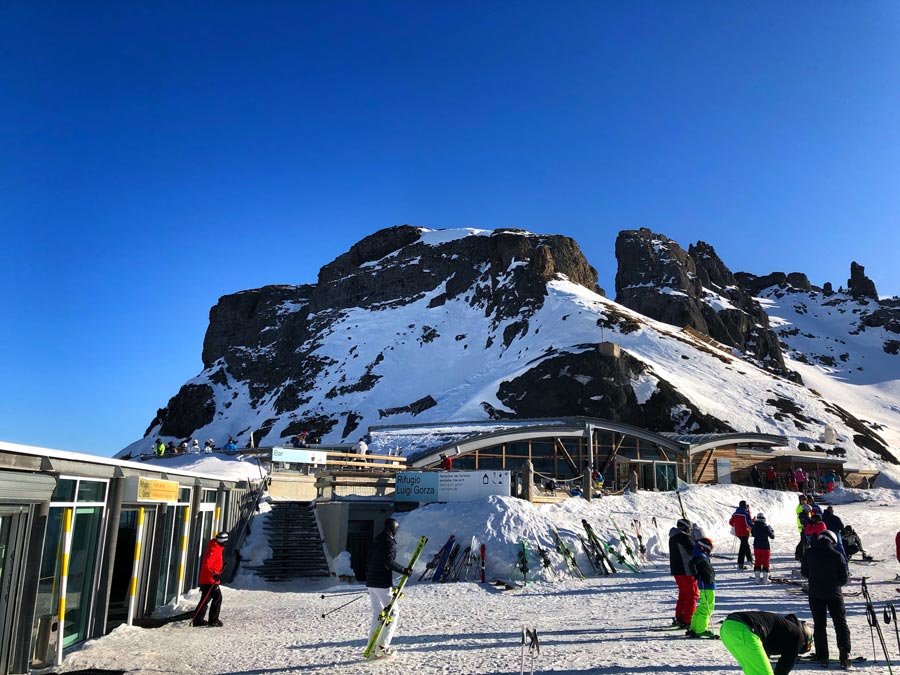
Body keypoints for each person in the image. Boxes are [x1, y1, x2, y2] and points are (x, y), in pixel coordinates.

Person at [801, 530, 851, 668]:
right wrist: (834, 584)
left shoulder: (809, 553)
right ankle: (845, 654)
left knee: (819, 624)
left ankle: (822, 656)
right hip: (835, 595)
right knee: (840, 624)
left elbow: (804, 572)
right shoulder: (837, 555)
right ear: (832, 541)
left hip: (816, 594)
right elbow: (844, 578)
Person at [366, 518, 413, 658]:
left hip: (371, 582)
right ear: (394, 529)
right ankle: (383, 646)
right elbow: (389, 562)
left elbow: (369, 559)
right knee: (393, 613)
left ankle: (372, 645)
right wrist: (404, 570)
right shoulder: (389, 543)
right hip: (382, 583)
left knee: (377, 613)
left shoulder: (377, 540)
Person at [720, 611, 813, 675]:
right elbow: (785, 665)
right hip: (743, 629)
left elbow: (763, 654)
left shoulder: (782, 628)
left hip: (727, 628)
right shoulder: (797, 634)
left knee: (753, 671)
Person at [193, 531, 228, 627]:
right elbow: (207, 565)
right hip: (209, 580)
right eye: (225, 541)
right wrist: (214, 574)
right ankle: (213, 620)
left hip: (209, 579)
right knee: (217, 598)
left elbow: (213, 564)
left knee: (205, 599)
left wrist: (220, 568)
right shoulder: (214, 549)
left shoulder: (217, 548)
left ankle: (198, 620)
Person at [669, 518, 697, 629]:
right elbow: (693, 551)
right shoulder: (684, 537)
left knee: (684, 594)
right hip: (686, 570)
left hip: (677, 570)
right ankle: (689, 620)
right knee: (692, 594)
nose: (690, 531)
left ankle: (680, 617)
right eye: (689, 528)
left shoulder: (673, 537)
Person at [688, 537, 717, 638]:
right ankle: (701, 630)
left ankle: (695, 627)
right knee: (707, 607)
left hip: (706, 583)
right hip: (707, 584)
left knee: (702, 606)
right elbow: (691, 564)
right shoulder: (700, 556)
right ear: (704, 547)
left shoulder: (700, 554)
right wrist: (696, 574)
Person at [730, 500, 754, 570]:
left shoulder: (735, 513)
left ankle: (750, 560)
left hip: (738, 533)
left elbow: (731, 522)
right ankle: (741, 564)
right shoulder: (745, 513)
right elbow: (748, 524)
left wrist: (737, 525)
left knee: (745, 545)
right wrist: (754, 526)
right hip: (744, 532)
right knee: (743, 547)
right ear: (745, 506)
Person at [751, 513, 775, 583]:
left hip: (757, 546)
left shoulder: (754, 527)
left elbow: (752, 534)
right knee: (765, 562)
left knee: (757, 561)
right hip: (765, 547)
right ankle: (765, 579)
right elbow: (772, 536)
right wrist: (772, 530)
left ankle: (757, 579)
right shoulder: (766, 527)